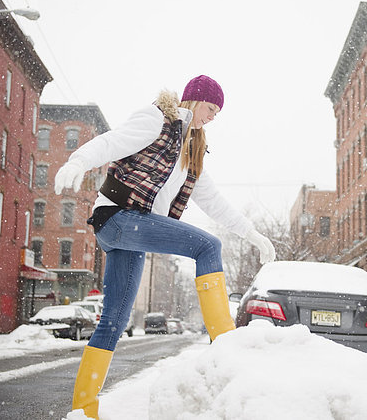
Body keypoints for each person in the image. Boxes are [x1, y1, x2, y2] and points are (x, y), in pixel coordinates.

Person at [54, 75, 275, 419]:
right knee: (207, 246)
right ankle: (226, 345)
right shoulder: (158, 119)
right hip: (118, 216)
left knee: (114, 320)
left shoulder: (192, 151)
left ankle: (84, 409)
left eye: (218, 112)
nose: (213, 116)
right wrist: (78, 161)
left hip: (133, 230)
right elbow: (112, 142)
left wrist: (253, 234)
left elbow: (214, 202)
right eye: (210, 107)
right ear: (193, 100)